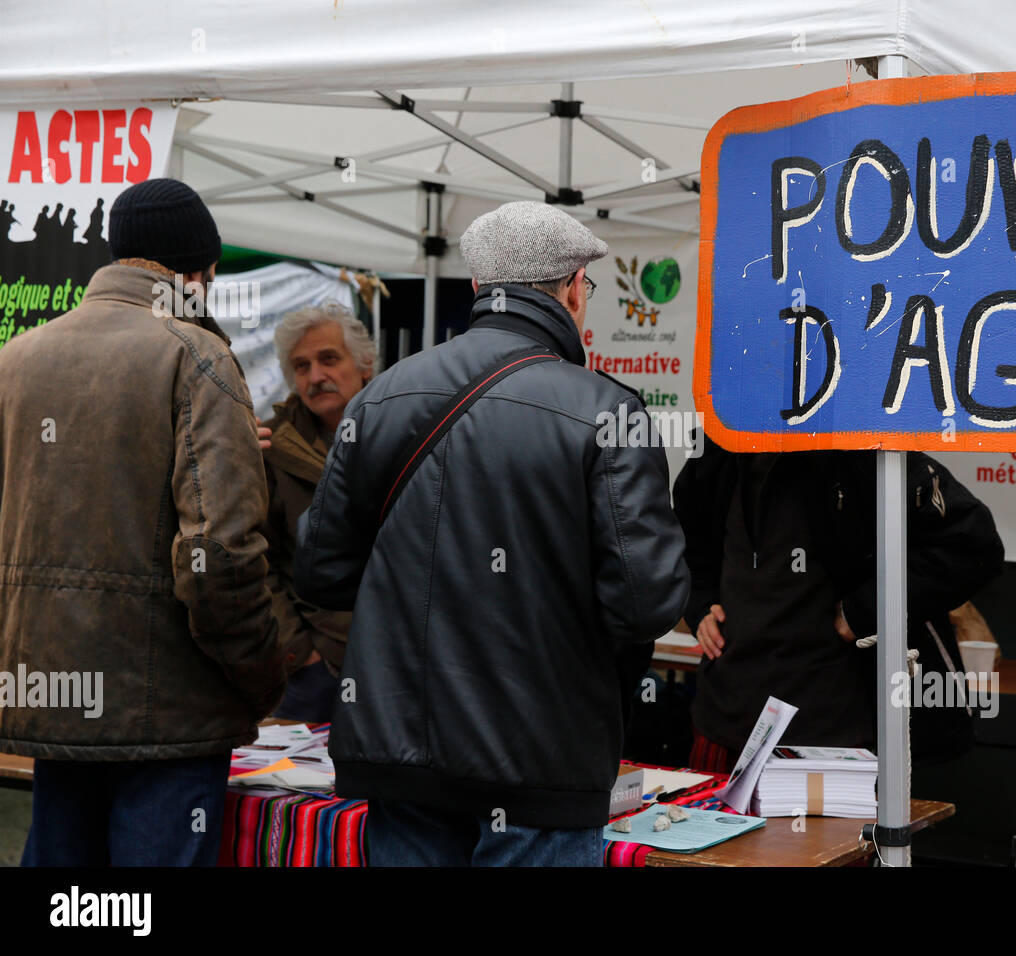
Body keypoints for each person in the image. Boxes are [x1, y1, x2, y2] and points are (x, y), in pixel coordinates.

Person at [295, 201, 690, 866]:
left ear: (479, 290)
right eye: (584, 289)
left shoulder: (380, 397)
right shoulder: (606, 412)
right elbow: (646, 601)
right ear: (571, 290)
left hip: (403, 758)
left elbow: (321, 572)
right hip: (541, 767)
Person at [0, 177, 286, 866]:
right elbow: (217, 552)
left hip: (52, 698)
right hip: (167, 713)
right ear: (199, 268)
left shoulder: (16, 358)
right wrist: (260, 672)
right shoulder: (195, 356)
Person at [674, 438, 1004, 771]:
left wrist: (865, 609)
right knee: (707, 821)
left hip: (834, 730)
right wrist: (700, 602)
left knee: (820, 824)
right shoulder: (721, 444)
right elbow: (684, 536)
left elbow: (973, 545)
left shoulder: (864, 449)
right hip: (724, 716)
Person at [263, 302, 375, 721]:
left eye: (328, 359)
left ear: (365, 365)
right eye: (301, 366)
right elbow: (256, 564)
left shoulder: (408, 432)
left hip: (399, 664)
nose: (315, 377)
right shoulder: (271, 450)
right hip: (315, 671)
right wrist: (299, 655)